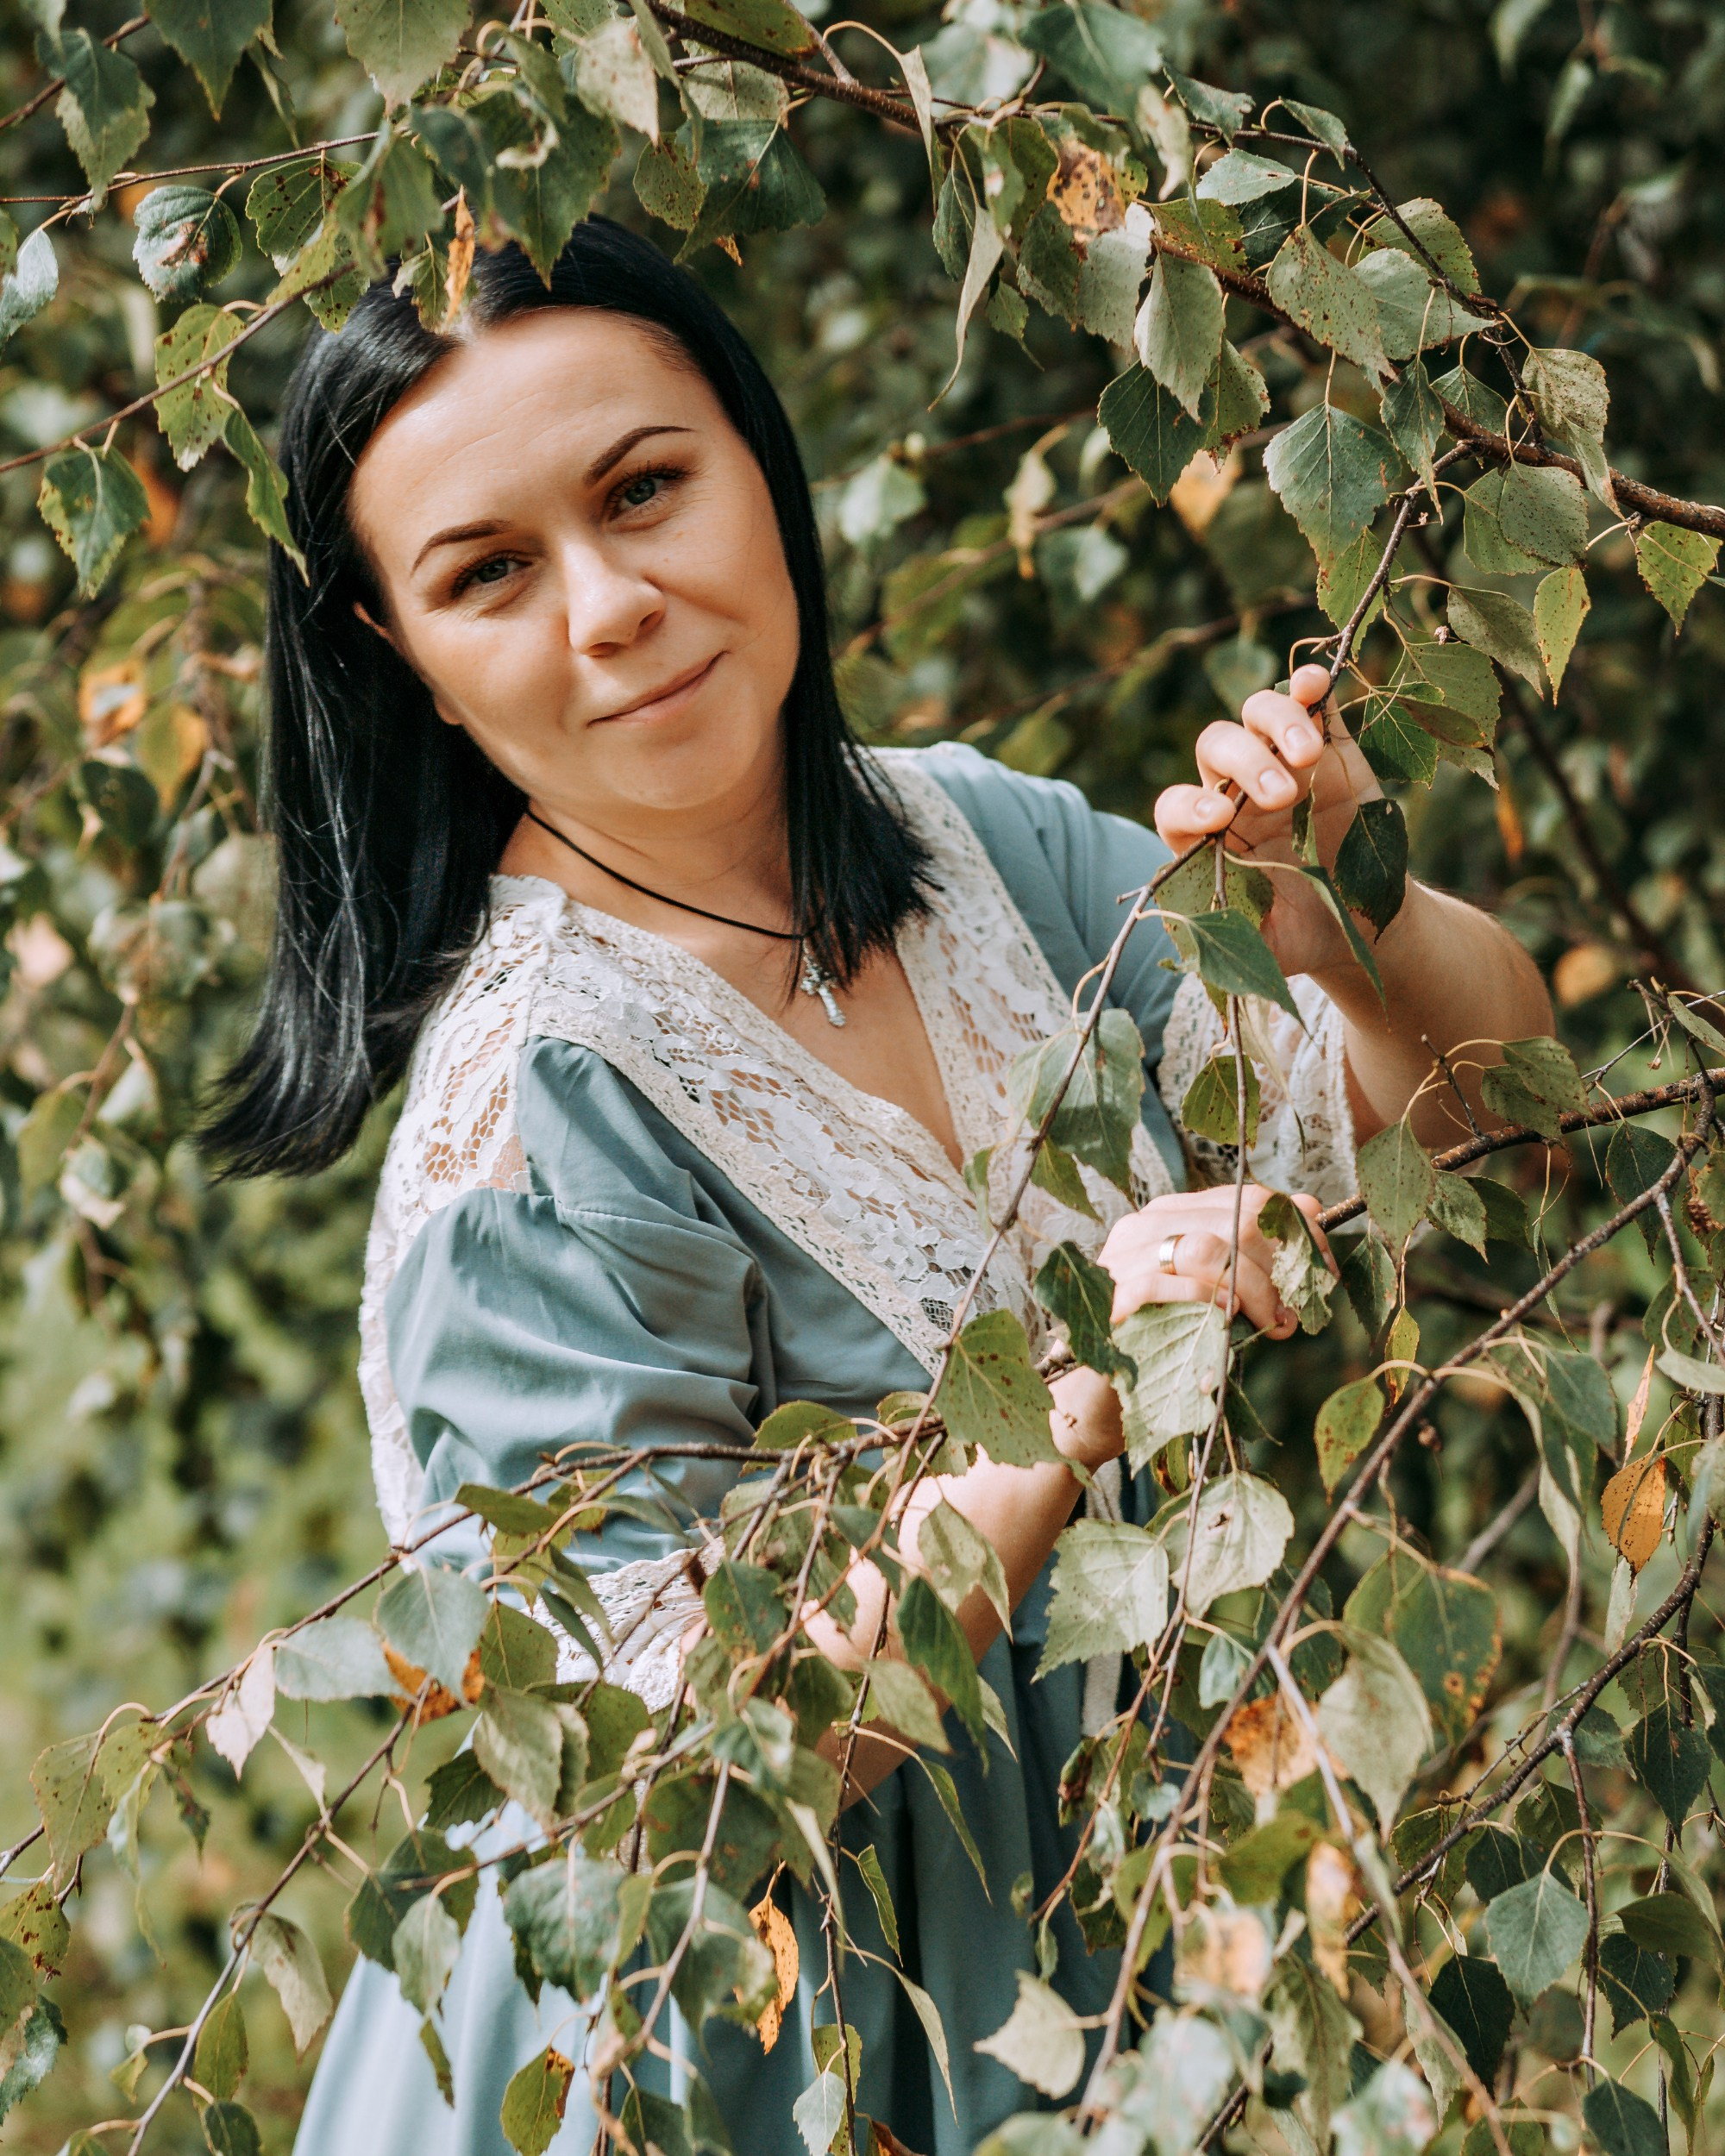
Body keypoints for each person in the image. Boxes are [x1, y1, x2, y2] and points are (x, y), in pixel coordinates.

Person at [208, 219, 1552, 2156]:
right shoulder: (527, 1121)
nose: (609, 605)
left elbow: (1478, 1133)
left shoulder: (972, 839)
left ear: (759, 463)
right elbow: (671, 1779)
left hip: (1124, 1929)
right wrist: (1071, 1400)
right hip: (759, 2039)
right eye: (488, 571)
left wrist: (1351, 900)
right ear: (390, 650)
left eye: (645, 489)